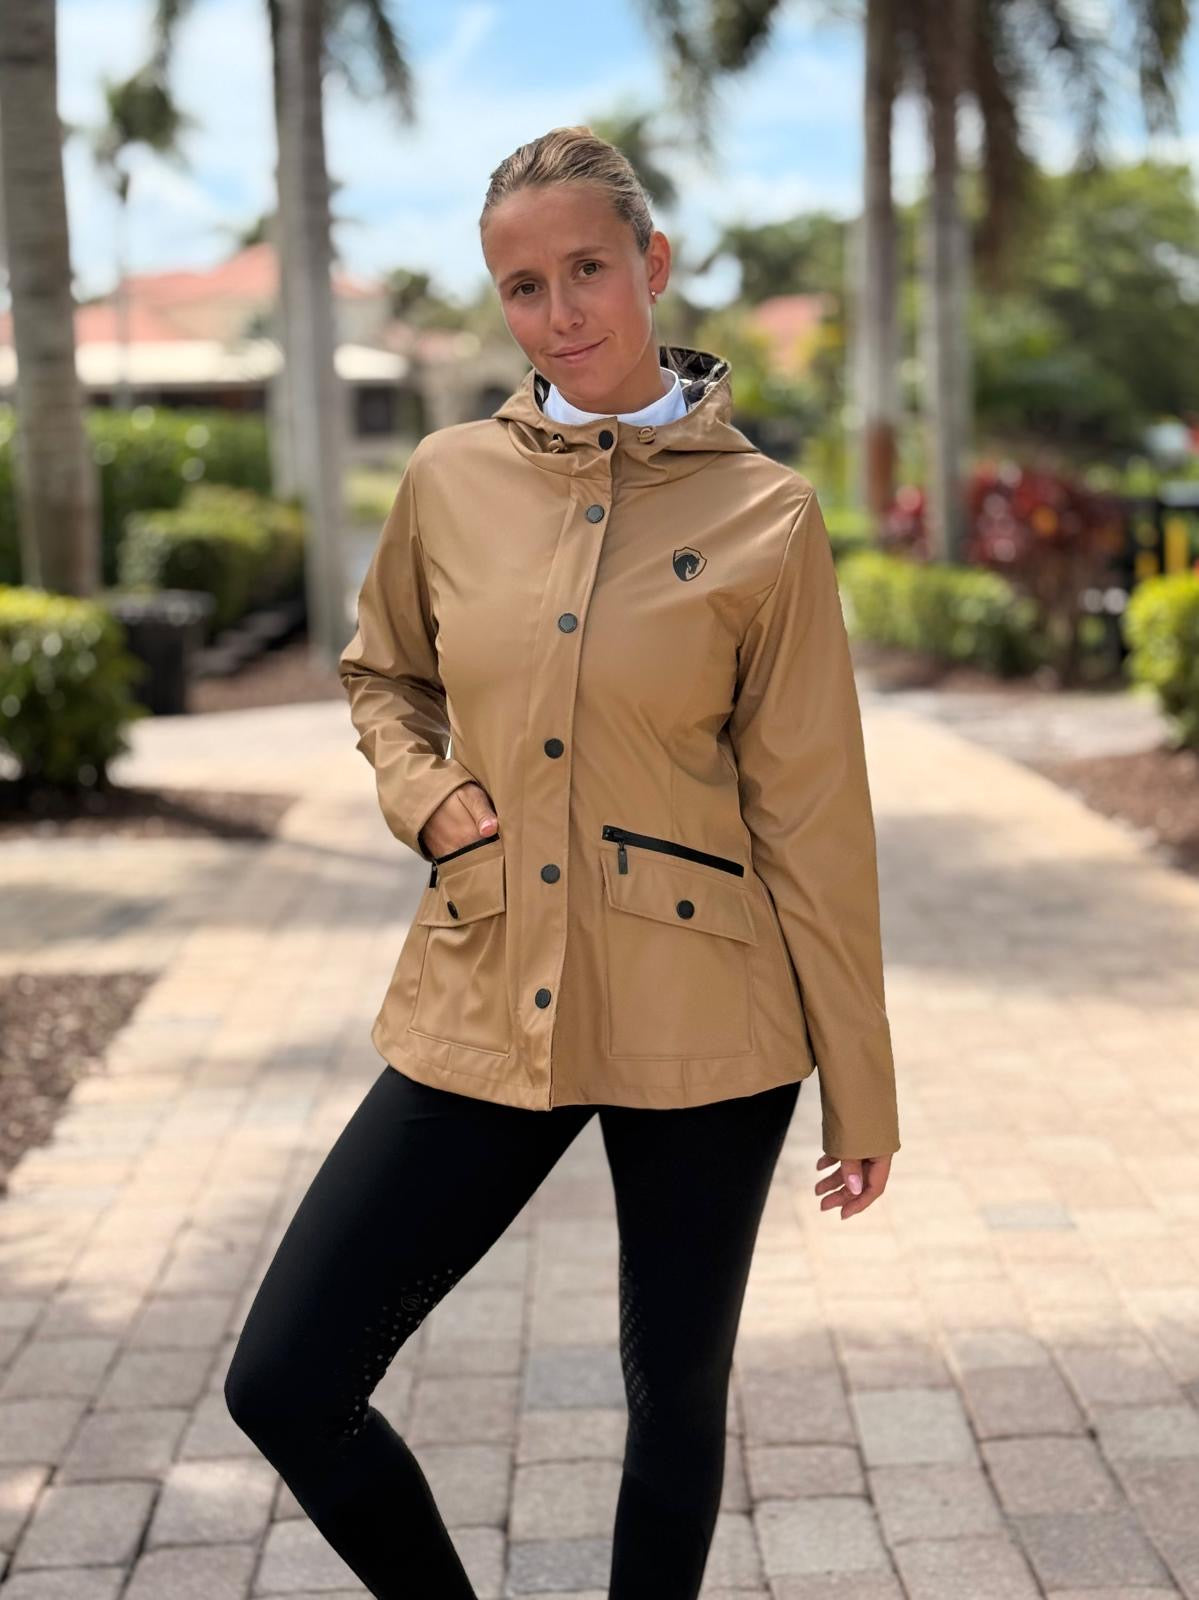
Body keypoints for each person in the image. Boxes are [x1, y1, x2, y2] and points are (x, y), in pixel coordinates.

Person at [224, 125, 901, 1600]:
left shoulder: (769, 514)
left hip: (709, 1018)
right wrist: (427, 797)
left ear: (653, 264)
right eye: (523, 287)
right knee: (285, 1379)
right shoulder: (448, 478)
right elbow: (385, 675)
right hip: (486, 977)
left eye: (587, 269)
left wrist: (863, 1083)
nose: (560, 312)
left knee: (674, 1407)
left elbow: (812, 813)